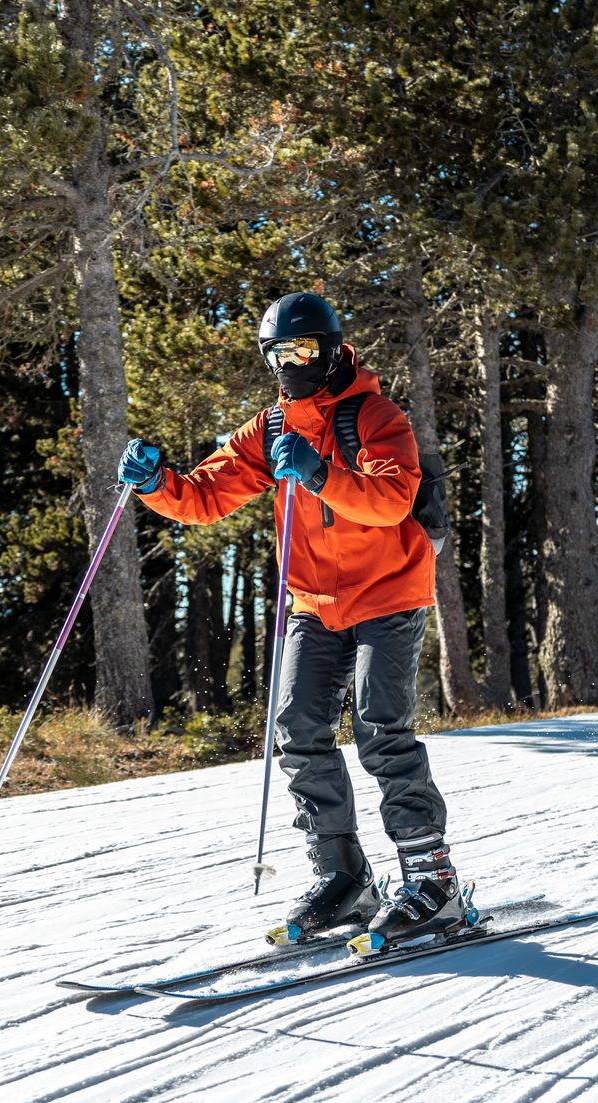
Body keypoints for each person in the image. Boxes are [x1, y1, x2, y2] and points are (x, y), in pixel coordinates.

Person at [116, 292, 464, 950]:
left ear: (331, 350)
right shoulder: (271, 427)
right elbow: (206, 496)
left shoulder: (375, 415)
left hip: (389, 592)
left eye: (302, 351)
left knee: (381, 730)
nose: (290, 364)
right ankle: (344, 877)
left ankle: (431, 879)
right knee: (299, 733)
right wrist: (156, 481)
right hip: (315, 601)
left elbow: (392, 500)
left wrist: (320, 472)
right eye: (277, 354)